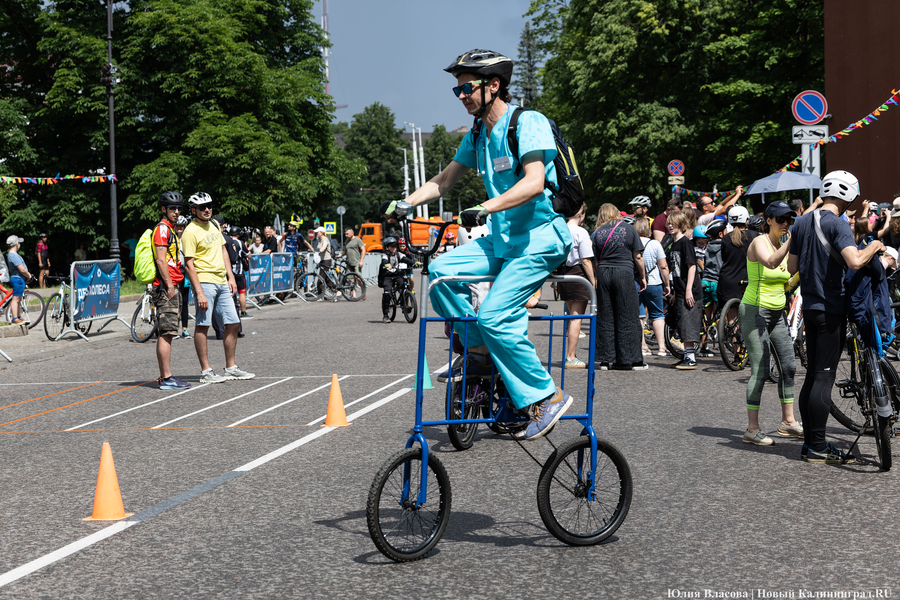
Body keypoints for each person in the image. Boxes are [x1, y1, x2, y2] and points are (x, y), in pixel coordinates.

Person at [395, 48, 574, 440]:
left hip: (540, 238)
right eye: (456, 91)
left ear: (494, 86)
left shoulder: (526, 122)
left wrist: (485, 206)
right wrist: (406, 202)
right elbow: (443, 181)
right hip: (504, 239)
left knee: (494, 314)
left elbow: (534, 181)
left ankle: (547, 396)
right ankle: (477, 351)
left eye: (467, 89)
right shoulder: (478, 133)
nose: (461, 96)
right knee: (441, 271)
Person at [788, 170, 884, 464]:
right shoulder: (839, 224)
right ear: (850, 197)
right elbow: (855, 262)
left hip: (810, 307)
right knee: (824, 378)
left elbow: (792, 265)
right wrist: (875, 246)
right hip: (832, 308)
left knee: (812, 377)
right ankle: (817, 446)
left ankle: (809, 443)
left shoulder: (802, 221)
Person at [739, 201, 801, 445]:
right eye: (781, 219)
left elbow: (786, 283)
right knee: (761, 370)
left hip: (777, 313)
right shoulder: (759, 242)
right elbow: (772, 263)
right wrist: (792, 241)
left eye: (790, 220)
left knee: (788, 367)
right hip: (755, 310)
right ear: (769, 221)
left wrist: (800, 274)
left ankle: (788, 422)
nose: (785, 224)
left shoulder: (781, 245)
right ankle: (752, 429)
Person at [182, 192, 255, 383]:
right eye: (202, 207)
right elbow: (189, 264)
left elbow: (223, 251)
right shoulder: (190, 232)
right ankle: (206, 371)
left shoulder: (214, 224)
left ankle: (230, 367)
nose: (207, 209)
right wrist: (198, 292)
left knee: (233, 322)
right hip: (204, 281)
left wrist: (230, 276)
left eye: (209, 206)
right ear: (193, 210)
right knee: (203, 324)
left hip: (222, 280)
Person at [592, 203, 646, 370]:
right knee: (628, 314)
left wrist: (599, 276)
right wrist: (643, 276)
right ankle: (628, 359)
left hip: (604, 273)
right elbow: (637, 257)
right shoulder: (628, 229)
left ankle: (604, 359)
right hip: (624, 272)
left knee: (605, 315)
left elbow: (595, 261)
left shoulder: (596, 233)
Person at [151, 192, 191, 390]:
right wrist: (169, 286)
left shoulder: (171, 229)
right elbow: (160, 259)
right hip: (167, 287)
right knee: (166, 332)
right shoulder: (162, 230)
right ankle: (166, 378)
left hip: (175, 284)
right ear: (163, 209)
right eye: (172, 208)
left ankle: (167, 376)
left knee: (170, 332)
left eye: (178, 208)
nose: (176, 211)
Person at [558, 204, 595, 368]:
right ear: (581, 214)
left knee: (572, 316)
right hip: (578, 273)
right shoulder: (581, 232)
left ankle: (571, 355)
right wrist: (593, 281)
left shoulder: (559, 229)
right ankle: (571, 357)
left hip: (563, 273)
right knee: (576, 318)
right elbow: (586, 259)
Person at [665, 211, 701, 369]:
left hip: (689, 289)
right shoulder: (673, 244)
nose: (670, 225)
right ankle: (687, 356)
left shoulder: (685, 243)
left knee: (688, 323)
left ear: (681, 224)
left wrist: (688, 290)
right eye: (669, 223)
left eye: (674, 223)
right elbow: (675, 270)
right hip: (679, 290)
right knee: (681, 322)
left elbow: (692, 267)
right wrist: (674, 292)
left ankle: (691, 358)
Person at [634, 217, 669, 357]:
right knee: (657, 314)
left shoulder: (631, 244)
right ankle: (661, 347)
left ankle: (643, 347)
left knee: (640, 316)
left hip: (636, 283)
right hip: (654, 283)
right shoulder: (655, 244)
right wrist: (667, 284)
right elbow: (663, 266)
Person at [377, 237, 414, 323]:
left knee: (405, 286)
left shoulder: (398, 254)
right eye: (392, 246)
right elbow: (384, 261)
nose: (394, 248)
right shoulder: (385, 255)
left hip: (397, 275)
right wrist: (386, 264)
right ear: (387, 247)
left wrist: (414, 263)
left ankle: (404, 304)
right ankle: (386, 315)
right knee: (387, 294)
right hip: (387, 276)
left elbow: (405, 259)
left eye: (395, 246)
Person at [227, 226, 253, 318]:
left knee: (230, 293)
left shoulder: (227, 241)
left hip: (229, 271)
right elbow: (248, 255)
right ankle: (243, 312)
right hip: (239, 271)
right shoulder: (240, 243)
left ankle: (231, 314)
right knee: (242, 292)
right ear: (238, 234)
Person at [5, 235, 32, 324]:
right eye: (19, 242)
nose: (19, 244)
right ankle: (15, 318)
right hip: (17, 279)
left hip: (19, 279)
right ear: (16, 244)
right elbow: (21, 269)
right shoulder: (13, 255)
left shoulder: (13, 255)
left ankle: (19, 317)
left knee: (19, 299)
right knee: (16, 299)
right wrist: (28, 275)